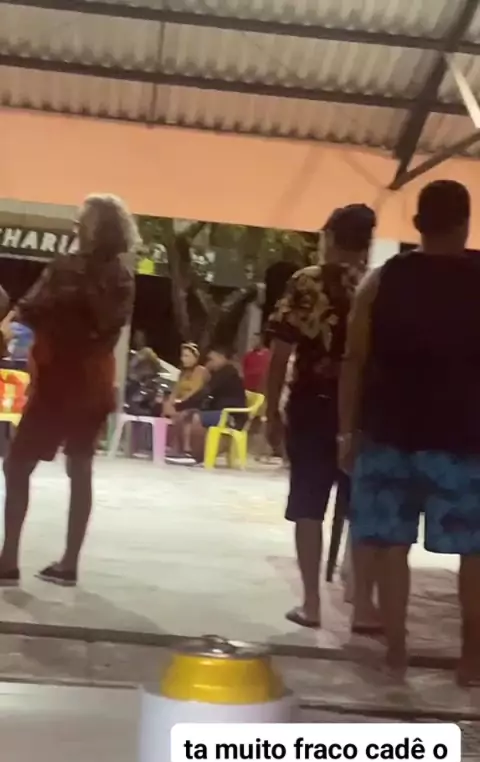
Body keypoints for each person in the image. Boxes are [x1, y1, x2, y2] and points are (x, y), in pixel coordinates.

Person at [339, 180, 480, 685]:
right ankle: (471, 659)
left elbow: (354, 360)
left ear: (417, 224)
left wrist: (346, 431)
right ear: (466, 224)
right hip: (465, 439)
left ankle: (396, 651)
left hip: (388, 432)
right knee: (474, 551)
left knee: (390, 544)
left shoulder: (381, 281)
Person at [0, 194, 136, 587]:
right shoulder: (123, 278)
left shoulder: (67, 269)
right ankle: (69, 563)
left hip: (61, 378)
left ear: (97, 228)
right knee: (80, 467)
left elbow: (29, 309)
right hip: (93, 380)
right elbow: (108, 326)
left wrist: (10, 326)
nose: (76, 226)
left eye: (82, 221)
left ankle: (8, 560)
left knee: (18, 465)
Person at [266, 205, 376, 628]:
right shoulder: (377, 284)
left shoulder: (307, 282)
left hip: (312, 404)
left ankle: (311, 603)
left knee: (308, 505)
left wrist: (271, 411)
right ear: (367, 241)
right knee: (362, 507)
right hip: (364, 410)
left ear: (329, 236)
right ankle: (362, 605)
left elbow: (280, 352)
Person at [167, 345, 246, 465]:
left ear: (221, 358)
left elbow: (205, 392)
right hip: (218, 412)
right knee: (186, 414)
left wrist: (180, 406)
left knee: (194, 417)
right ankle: (182, 450)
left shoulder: (227, 372)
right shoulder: (218, 372)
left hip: (231, 415)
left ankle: (194, 454)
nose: (209, 363)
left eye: (211, 359)